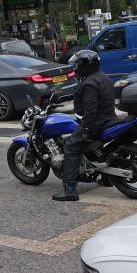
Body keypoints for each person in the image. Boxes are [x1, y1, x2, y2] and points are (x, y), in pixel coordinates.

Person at [52, 49, 116, 202]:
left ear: (86, 65)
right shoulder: (103, 77)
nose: (76, 68)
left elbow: (91, 109)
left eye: (78, 64)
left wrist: (86, 128)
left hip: (95, 123)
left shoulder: (89, 83)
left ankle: (70, 190)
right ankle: (106, 178)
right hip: (108, 119)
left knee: (70, 147)